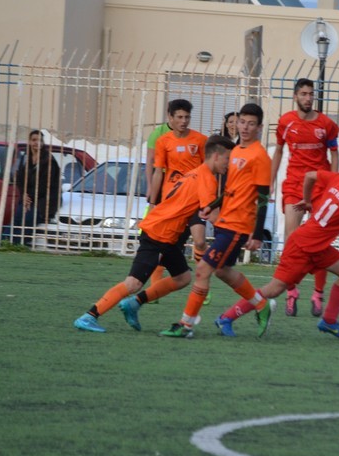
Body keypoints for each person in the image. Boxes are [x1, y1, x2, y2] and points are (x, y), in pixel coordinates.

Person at [215, 156, 339, 341]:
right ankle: (225, 318)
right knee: (274, 289)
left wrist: (307, 200)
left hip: (318, 246)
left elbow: (309, 176)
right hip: (303, 246)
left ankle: (329, 321)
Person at [73, 135, 235, 333]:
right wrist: (237, 228)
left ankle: (134, 303)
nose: (229, 164)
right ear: (216, 156)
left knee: (183, 277)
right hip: (159, 234)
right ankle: (89, 316)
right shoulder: (207, 179)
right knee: (133, 283)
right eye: (228, 159)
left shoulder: (196, 173)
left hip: (167, 235)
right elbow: (213, 216)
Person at [160, 103, 271, 338]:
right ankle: (261, 304)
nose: (245, 127)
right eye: (242, 122)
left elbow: (263, 198)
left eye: (251, 124)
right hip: (225, 220)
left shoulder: (260, 156)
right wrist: (213, 205)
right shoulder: (237, 150)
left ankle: (186, 325)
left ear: (260, 127)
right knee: (222, 271)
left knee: (202, 269)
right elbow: (232, 189)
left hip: (237, 225)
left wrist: (258, 234)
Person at [270, 78, 339, 318]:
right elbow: (279, 151)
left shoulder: (326, 124)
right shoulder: (286, 122)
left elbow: (334, 154)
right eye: (303, 94)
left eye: (311, 94)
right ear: (295, 96)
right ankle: (292, 292)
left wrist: (333, 182)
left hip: (320, 187)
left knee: (320, 241)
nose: (308, 98)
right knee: (291, 240)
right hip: (294, 186)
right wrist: (271, 180)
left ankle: (318, 293)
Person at [147, 99, 209, 281]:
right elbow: (158, 172)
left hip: (195, 199)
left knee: (200, 241)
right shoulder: (163, 141)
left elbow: (207, 170)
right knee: (165, 245)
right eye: (180, 117)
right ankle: (155, 286)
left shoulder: (200, 140)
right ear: (170, 117)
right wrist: (153, 203)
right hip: (172, 201)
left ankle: (202, 282)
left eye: (187, 117)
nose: (184, 121)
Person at [12, 130, 61, 246]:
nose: (37, 143)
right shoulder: (25, 157)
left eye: (40, 140)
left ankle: (20, 245)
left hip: (45, 200)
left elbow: (45, 185)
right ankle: (8, 243)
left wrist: (29, 199)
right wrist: (24, 195)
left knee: (28, 218)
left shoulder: (48, 160)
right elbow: (19, 179)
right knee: (17, 218)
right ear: (29, 141)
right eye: (34, 140)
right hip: (28, 198)